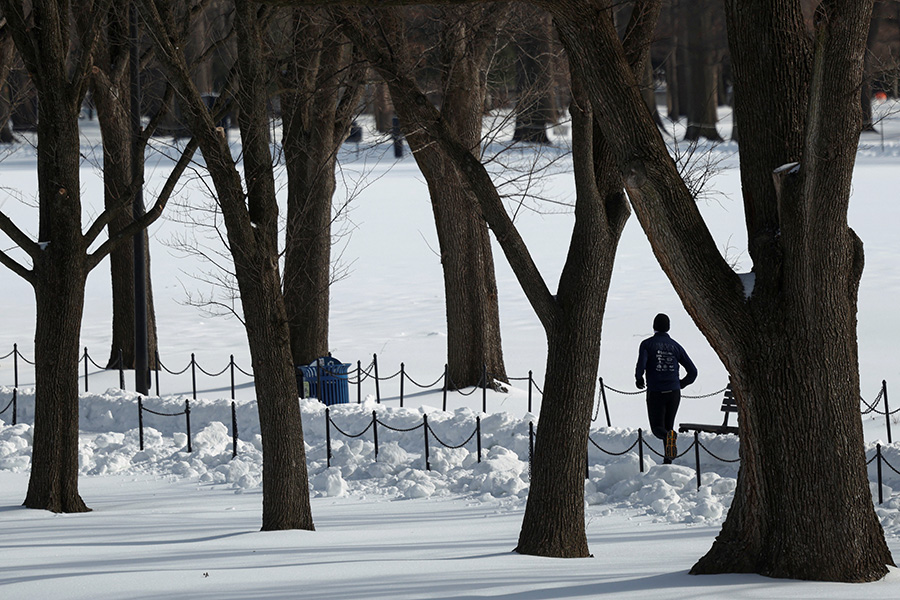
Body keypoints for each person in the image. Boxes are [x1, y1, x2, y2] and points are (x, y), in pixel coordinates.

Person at [635, 313, 697, 464]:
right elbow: (693, 372)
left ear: (654, 326)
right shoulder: (676, 346)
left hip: (656, 392)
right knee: (669, 427)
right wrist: (680, 384)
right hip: (674, 393)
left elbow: (641, 365)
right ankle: (668, 461)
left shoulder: (647, 344)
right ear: (668, 327)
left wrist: (639, 378)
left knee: (658, 428)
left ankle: (669, 448)